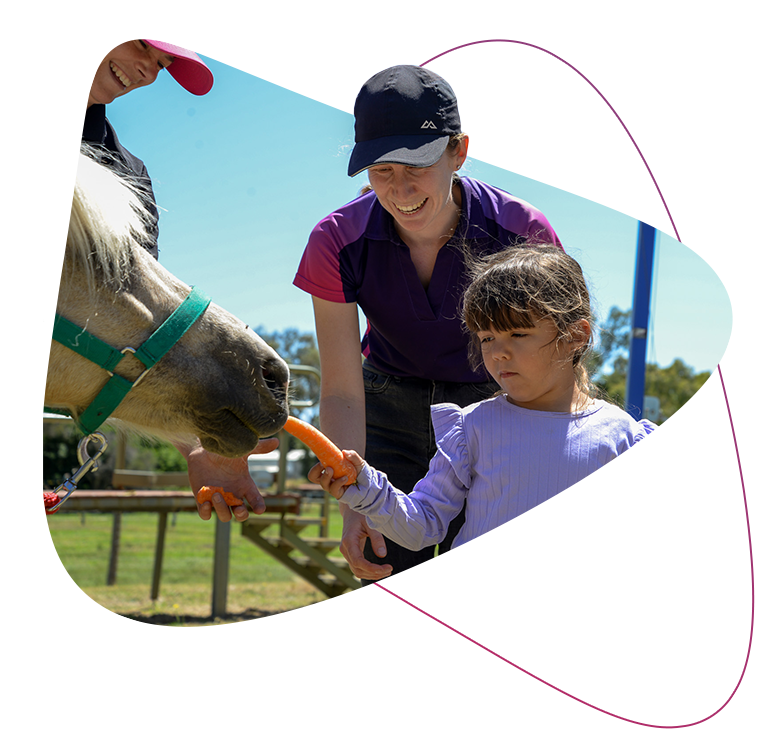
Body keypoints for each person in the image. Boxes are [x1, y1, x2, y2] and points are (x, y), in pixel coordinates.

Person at [294, 64, 561, 634]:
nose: (401, 189)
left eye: (417, 165)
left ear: (458, 152)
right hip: (385, 419)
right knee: (393, 623)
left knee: (491, 620)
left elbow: (556, 371)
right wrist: (353, 504)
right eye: (381, 171)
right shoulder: (335, 241)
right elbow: (341, 388)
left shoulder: (522, 232)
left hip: (495, 416)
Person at [317, 245, 667, 635]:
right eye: (486, 338)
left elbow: (639, 557)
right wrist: (366, 489)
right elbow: (424, 525)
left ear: (575, 336)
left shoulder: (621, 438)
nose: (499, 353)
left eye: (518, 333)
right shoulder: (472, 429)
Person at [43, 40, 276, 522]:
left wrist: (198, 445)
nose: (151, 71)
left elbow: (134, 326)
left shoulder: (124, 176)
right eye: (143, 42)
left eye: (164, 61)